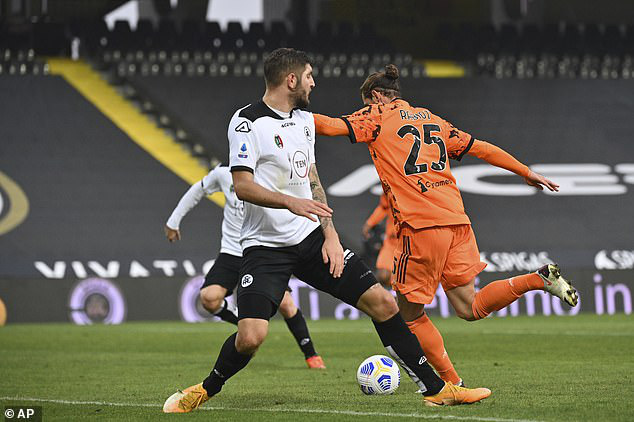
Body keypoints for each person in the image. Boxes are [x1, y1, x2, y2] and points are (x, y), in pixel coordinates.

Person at [162, 48, 491, 413]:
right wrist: (290, 202)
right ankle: (205, 389)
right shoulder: (246, 122)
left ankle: (436, 389)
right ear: (291, 80)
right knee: (251, 338)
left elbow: (312, 179)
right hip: (263, 248)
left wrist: (331, 236)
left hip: (311, 238)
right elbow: (242, 185)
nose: (313, 82)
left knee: (382, 302)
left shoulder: (303, 120)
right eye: (308, 76)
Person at [313, 64, 579, 382]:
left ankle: (451, 385)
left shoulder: (377, 116)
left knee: (406, 317)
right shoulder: (433, 120)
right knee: (470, 307)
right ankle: (537, 280)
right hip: (458, 223)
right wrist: (525, 171)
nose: (365, 109)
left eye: (367, 103)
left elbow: (328, 126)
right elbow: (480, 147)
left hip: (421, 226)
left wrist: (281, 113)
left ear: (376, 97)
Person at [164, 164, 326, 369]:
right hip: (232, 251)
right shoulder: (224, 173)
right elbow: (198, 189)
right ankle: (248, 329)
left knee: (286, 304)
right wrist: (173, 221)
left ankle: (311, 354)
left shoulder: (270, 172)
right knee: (209, 298)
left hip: (262, 250)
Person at [362, 193, 397, 288]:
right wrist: (370, 223)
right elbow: (384, 207)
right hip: (391, 242)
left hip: (411, 244)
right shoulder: (390, 184)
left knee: (403, 279)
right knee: (383, 276)